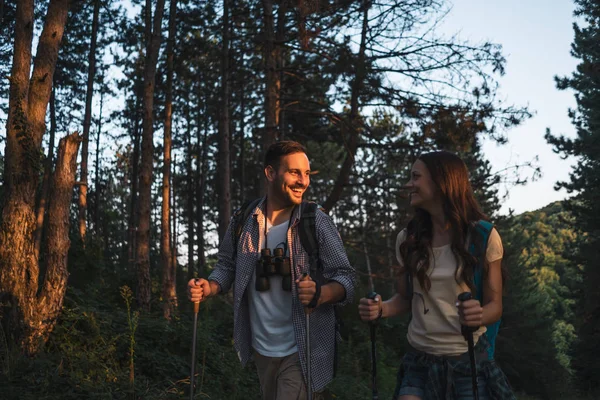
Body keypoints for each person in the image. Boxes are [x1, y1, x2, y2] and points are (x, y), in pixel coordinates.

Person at [188, 140, 356, 400]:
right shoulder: (245, 219)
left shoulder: (316, 221)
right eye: (294, 172)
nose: (303, 181)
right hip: (262, 349)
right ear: (270, 173)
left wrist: (320, 293)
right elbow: (227, 265)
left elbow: (346, 278)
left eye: (307, 174)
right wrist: (209, 286)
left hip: (304, 347)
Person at [358, 151, 515, 400]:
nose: (409, 184)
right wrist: (380, 309)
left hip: (468, 361)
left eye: (416, 177)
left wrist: (479, 315)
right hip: (419, 362)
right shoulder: (407, 239)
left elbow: (495, 307)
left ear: (442, 182)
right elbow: (404, 297)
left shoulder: (482, 237)